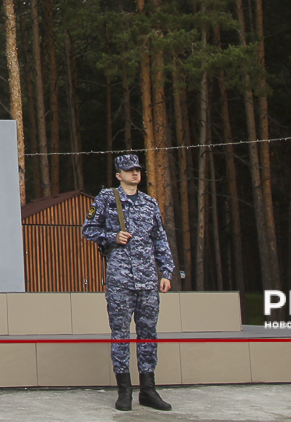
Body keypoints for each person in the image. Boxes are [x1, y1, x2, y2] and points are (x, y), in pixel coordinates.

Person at [81, 153, 173, 412]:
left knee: (148, 335)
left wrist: (166, 272)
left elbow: (160, 239)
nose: (135, 174)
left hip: (147, 281)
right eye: (129, 170)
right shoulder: (107, 199)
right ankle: (124, 391)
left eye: (137, 170)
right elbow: (88, 229)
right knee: (120, 335)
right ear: (119, 175)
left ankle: (148, 390)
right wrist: (112, 236)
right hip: (120, 279)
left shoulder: (149, 203)